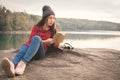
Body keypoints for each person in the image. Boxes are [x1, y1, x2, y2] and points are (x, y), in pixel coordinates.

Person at [1, 5, 59, 77]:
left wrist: (56, 43)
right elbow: (31, 40)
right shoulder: (36, 27)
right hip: (30, 48)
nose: (52, 20)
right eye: (50, 18)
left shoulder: (53, 31)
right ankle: (12, 66)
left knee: (37, 38)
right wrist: (44, 41)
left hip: (40, 52)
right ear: (45, 18)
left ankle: (22, 64)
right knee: (24, 48)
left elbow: (54, 46)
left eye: (54, 18)